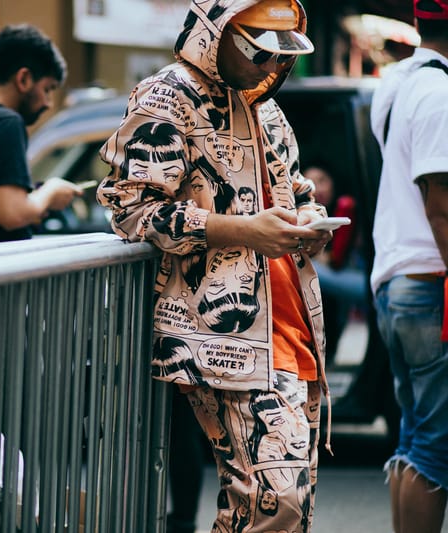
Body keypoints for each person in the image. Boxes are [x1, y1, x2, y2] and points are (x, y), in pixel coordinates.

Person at [96, 1, 335, 531]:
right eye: (257, 50)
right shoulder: (168, 95)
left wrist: (308, 223)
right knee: (277, 503)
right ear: (216, 31)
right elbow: (132, 210)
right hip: (219, 333)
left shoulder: (266, 106)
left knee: (273, 510)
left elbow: (292, 192)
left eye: (281, 52)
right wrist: (245, 231)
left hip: (293, 326)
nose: (270, 66)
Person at [368, 2, 448, 531]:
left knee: (414, 436)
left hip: (395, 280)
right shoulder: (439, 93)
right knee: (436, 448)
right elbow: (439, 199)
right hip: (428, 281)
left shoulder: (398, 82)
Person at [0, 24, 82, 243]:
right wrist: (50, 193)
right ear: (24, 79)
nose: (49, 103)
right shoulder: (8, 123)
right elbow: (13, 213)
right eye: (48, 89)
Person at [303, 164, 367, 365]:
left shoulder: (348, 208)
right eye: (310, 183)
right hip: (342, 282)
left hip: (361, 280)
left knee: (310, 272)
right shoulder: (302, 215)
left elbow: (335, 262)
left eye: (322, 181)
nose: (317, 188)